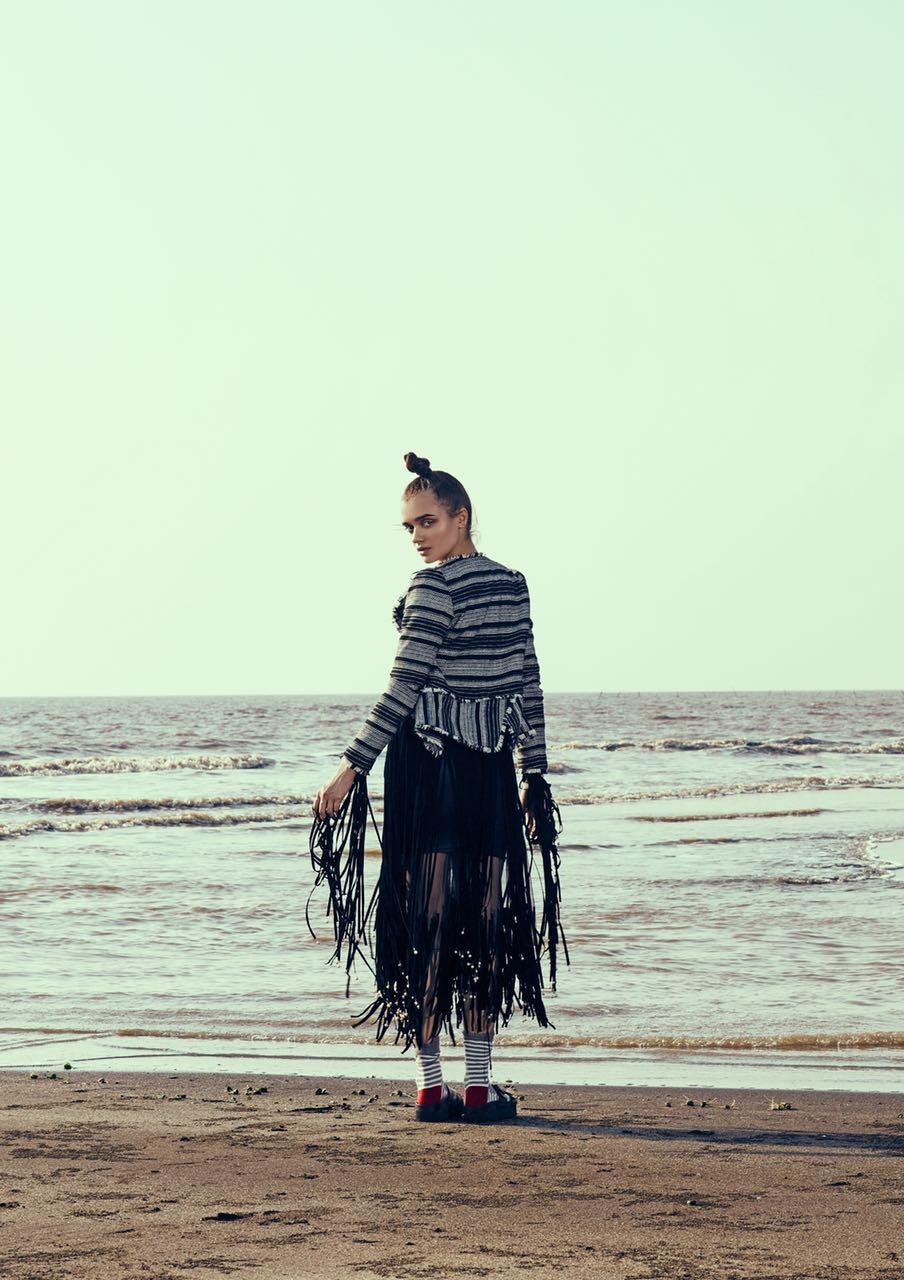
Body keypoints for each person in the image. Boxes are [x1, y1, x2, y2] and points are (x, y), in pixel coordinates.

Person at [308, 451, 568, 1124]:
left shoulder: (430, 589)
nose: (418, 537)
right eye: (409, 527)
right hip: (487, 768)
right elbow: (527, 685)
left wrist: (351, 764)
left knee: (425, 920)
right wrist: (533, 775)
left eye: (427, 522)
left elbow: (403, 689)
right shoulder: (513, 584)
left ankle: (433, 1088)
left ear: (461, 517)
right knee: (484, 921)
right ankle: (476, 1088)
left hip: (427, 769)